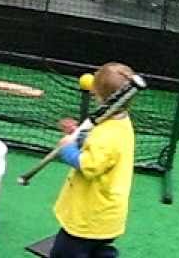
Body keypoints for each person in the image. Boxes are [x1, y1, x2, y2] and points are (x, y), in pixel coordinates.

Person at [50, 62, 137, 258]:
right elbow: (97, 147)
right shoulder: (118, 122)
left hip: (90, 215)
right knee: (98, 249)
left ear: (105, 99)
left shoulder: (108, 134)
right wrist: (77, 135)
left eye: (96, 95)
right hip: (107, 214)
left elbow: (89, 165)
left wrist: (68, 148)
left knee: (64, 253)